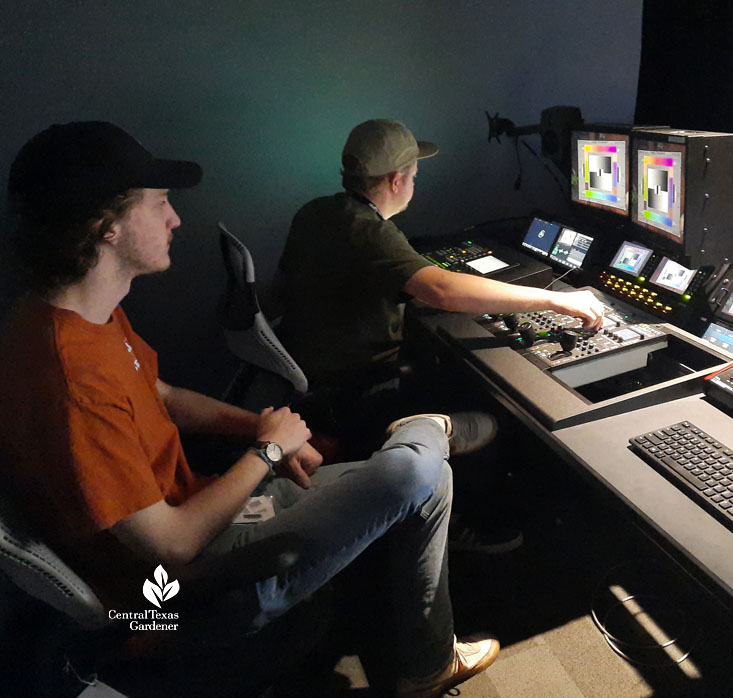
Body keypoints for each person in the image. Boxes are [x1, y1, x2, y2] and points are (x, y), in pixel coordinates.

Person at [0, 121, 496, 698]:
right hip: (177, 597)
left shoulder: (75, 316)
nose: (175, 219)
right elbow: (171, 545)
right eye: (159, 203)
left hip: (202, 511)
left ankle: (427, 665)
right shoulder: (68, 373)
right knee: (415, 468)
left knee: (427, 482)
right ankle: (432, 430)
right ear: (106, 227)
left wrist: (261, 427)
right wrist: (265, 451)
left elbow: (160, 397)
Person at [275, 118, 607, 391]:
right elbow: (444, 292)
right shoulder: (369, 232)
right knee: (489, 411)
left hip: (316, 361)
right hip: (356, 382)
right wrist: (557, 301)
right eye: (414, 177)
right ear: (395, 180)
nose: (413, 185)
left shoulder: (317, 210)